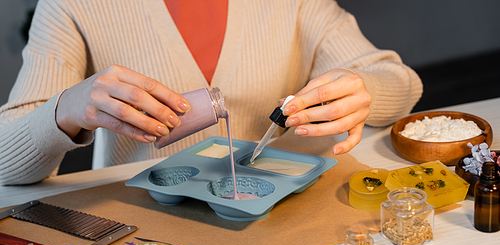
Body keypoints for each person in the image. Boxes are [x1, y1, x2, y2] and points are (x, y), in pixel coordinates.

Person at [0, 0, 422, 185]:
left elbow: (400, 81)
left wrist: (364, 91)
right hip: (152, 228)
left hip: (287, 210)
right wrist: (66, 109)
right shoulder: (73, 5)